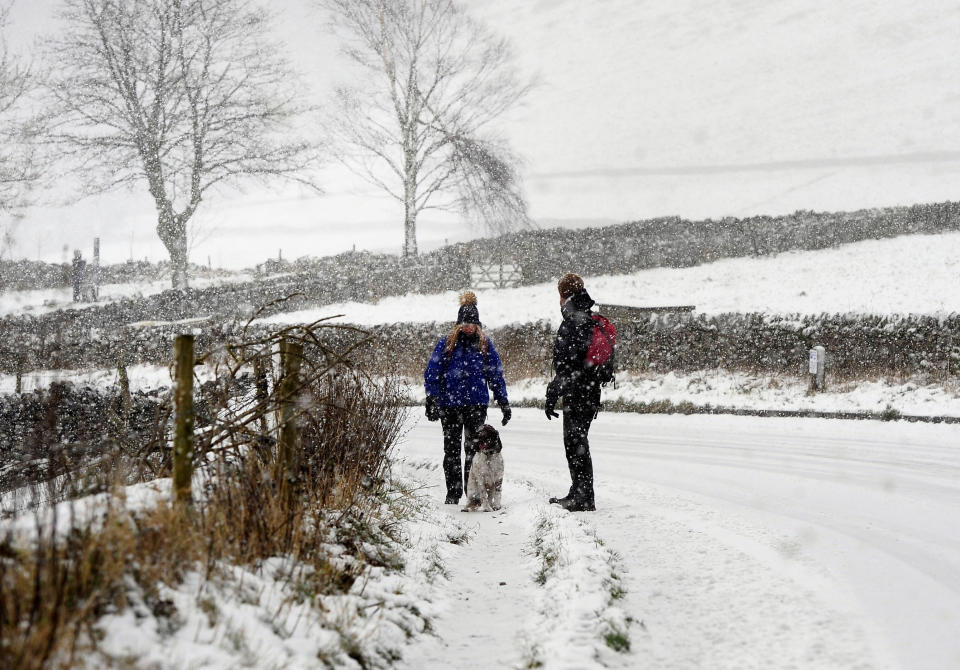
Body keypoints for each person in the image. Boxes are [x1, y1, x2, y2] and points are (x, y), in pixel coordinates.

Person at [424, 291, 511, 504]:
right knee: (451, 451)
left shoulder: (484, 344)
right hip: (450, 405)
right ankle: (453, 494)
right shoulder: (447, 344)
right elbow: (432, 371)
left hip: (476, 404)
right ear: (458, 324)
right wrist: (432, 398)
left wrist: (503, 401)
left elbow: (495, 374)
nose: (468, 327)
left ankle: (471, 494)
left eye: (472, 324)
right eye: (464, 323)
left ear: (478, 325)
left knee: (473, 451)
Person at [544, 273, 601, 512]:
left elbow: (568, 366)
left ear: (563, 295)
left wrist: (552, 393)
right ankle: (579, 491)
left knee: (575, 443)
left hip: (578, 391)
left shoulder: (573, 320)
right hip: (590, 389)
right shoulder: (588, 315)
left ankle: (583, 497)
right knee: (578, 441)